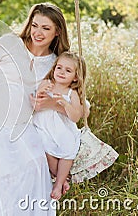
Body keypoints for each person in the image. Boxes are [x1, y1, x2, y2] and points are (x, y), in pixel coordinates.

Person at [0, 3, 75, 215]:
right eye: (34, 25)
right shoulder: (10, 43)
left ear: (57, 31)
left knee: (35, 166)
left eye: (46, 28)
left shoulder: (56, 62)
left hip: (21, 124)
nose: (38, 33)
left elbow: (70, 98)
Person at [32, 52, 86, 201]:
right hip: (43, 127)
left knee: (68, 151)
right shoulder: (46, 83)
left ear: (75, 77)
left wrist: (65, 103)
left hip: (63, 129)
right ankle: (62, 180)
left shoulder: (72, 93)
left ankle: (59, 183)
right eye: (59, 68)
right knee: (45, 149)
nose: (61, 72)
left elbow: (75, 117)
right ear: (54, 68)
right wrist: (41, 93)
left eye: (68, 70)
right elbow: (36, 103)